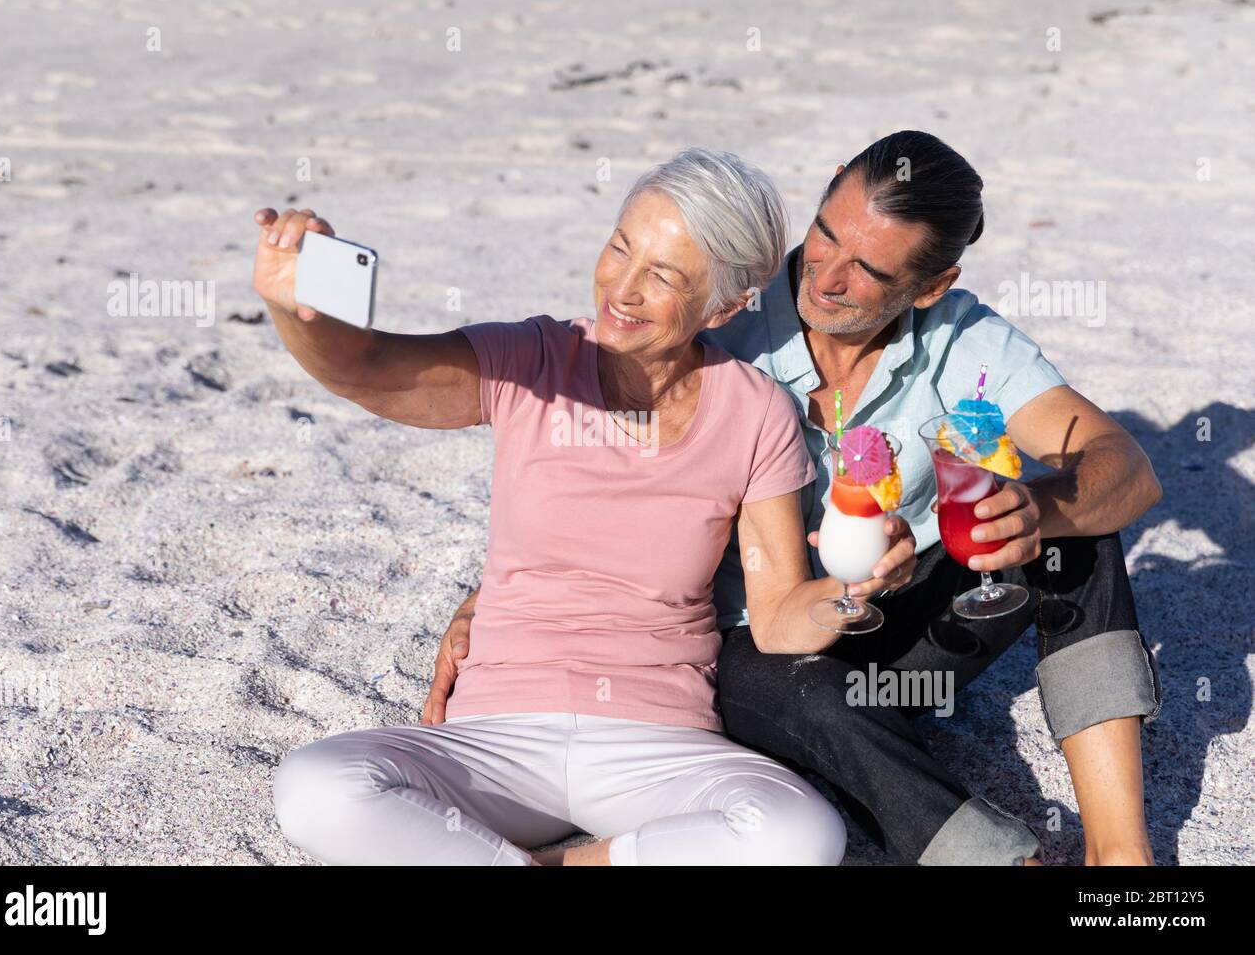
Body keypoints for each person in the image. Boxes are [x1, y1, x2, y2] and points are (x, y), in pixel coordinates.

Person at [430, 131, 1163, 866]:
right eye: (824, 235)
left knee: (1080, 532)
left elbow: (1126, 468)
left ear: (932, 285)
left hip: (904, 635)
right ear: (829, 184)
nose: (826, 278)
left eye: (869, 269)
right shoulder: (721, 318)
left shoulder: (963, 337)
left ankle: (1121, 860)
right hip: (750, 650)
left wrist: (1040, 510)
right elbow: (584, 472)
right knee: (814, 697)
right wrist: (488, 602)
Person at [257, 147, 920, 865]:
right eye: (620, 249)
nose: (623, 290)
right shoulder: (533, 360)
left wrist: (854, 589)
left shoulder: (755, 411)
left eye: (662, 276)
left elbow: (781, 618)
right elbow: (370, 370)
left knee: (800, 833)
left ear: (725, 307)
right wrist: (300, 311)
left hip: (659, 743)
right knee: (314, 784)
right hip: (495, 739)